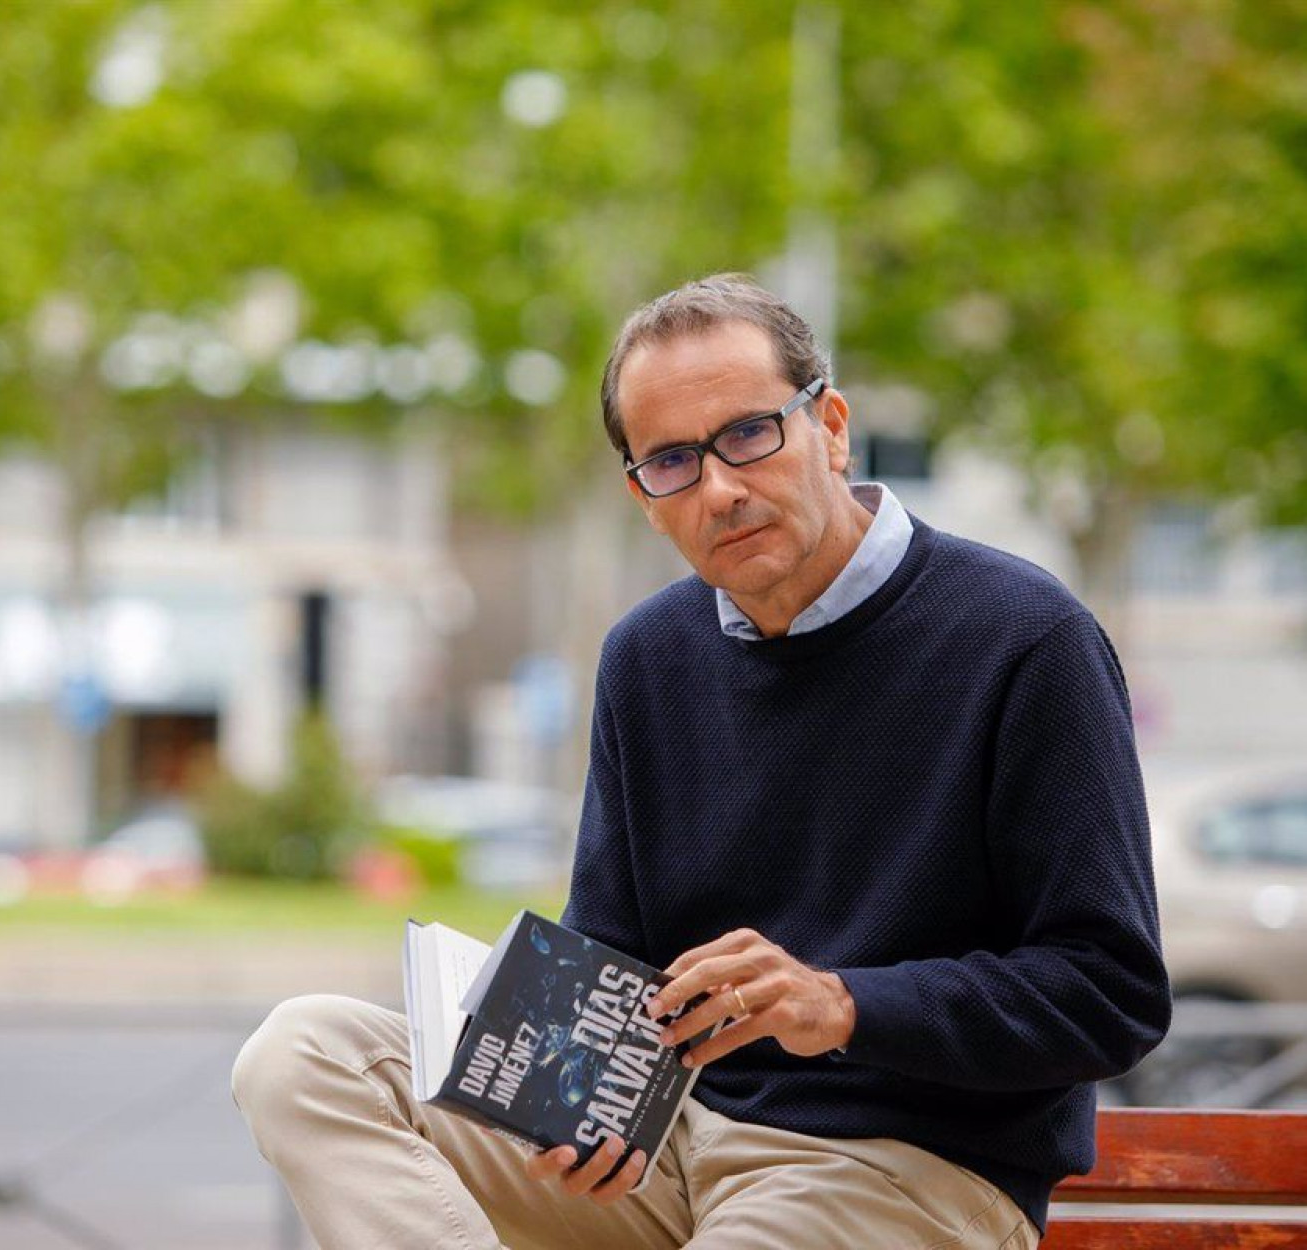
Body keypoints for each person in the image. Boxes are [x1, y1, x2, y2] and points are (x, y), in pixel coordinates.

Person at [232, 274, 1171, 1249]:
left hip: (904, 1170)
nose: (720, 487)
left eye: (749, 433)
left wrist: (842, 1003)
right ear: (644, 496)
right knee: (303, 1054)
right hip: (672, 1147)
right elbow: (612, 954)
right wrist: (577, 1097)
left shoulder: (1025, 636)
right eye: (673, 461)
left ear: (833, 426)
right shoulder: (648, 655)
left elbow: (1111, 991)